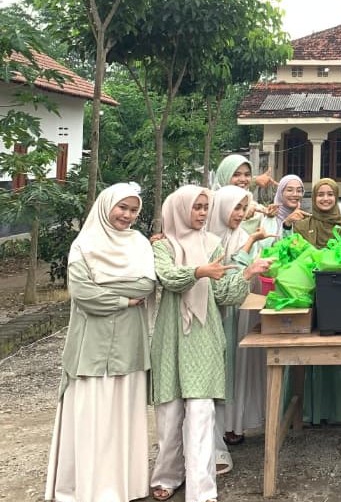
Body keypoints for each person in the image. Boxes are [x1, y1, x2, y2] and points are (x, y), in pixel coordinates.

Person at [150, 185, 271, 502]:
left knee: (202, 413)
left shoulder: (212, 243)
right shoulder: (163, 245)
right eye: (197, 207)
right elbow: (168, 277)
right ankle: (167, 475)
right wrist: (199, 270)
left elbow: (224, 294)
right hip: (173, 335)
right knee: (170, 412)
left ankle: (201, 489)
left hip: (204, 334)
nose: (203, 213)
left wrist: (247, 274)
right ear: (179, 208)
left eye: (206, 207)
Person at [44, 183, 156, 502]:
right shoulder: (85, 244)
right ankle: (87, 488)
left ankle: (123, 486)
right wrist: (122, 299)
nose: (128, 215)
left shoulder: (139, 243)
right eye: (122, 207)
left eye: (134, 210)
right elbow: (83, 294)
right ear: (106, 205)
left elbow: (146, 284)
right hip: (90, 346)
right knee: (92, 415)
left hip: (129, 346)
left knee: (122, 414)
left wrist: (106, 285)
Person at [207, 186, 274, 471]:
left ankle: (225, 432)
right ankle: (208, 444)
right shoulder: (206, 240)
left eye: (243, 208)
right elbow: (230, 271)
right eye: (235, 207)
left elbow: (240, 272)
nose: (239, 214)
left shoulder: (239, 235)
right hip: (209, 315)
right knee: (211, 380)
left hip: (235, 311)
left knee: (229, 373)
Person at [291, 178, 341, 424]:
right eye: (320, 194)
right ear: (313, 199)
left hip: (340, 299)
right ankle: (313, 411)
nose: (325, 199)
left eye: (330, 195)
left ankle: (339, 411)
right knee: (313, 354)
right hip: (312, 295)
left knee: (339, 349)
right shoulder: (302, 226)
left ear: (336, 197)